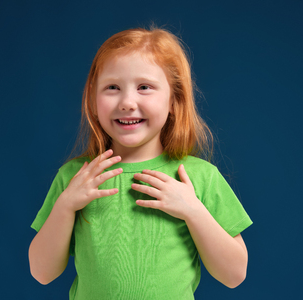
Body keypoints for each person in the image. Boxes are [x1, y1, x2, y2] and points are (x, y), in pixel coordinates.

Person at [28, 27, 252, 300]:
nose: (127, 102)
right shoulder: (77, 177)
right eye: (112, 87)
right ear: (92, 98)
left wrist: (193, 211)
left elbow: (234, 275)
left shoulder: (197, 178)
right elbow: (42, 272)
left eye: (144, 87)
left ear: (174, 100)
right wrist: (65, 206)